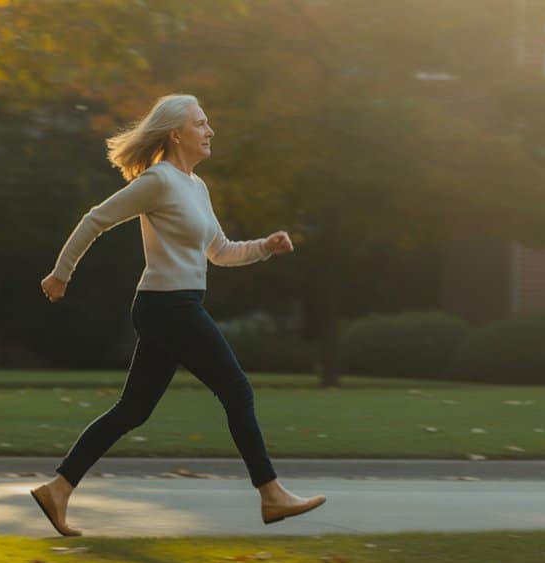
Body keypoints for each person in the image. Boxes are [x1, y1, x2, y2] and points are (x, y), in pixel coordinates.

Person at [31, 94, 326, 537]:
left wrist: (265, 246)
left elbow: (220, 251)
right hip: (168, 306)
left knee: (133, 410)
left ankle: (58, 489)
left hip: (173, 305)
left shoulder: (196, 187)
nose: (210, 132)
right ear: (176, 133)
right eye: (201, 124)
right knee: (237, 390)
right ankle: (271, 494)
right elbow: (96, 219)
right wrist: (60, 274)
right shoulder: (159, 181)